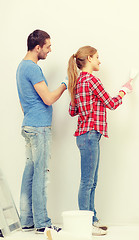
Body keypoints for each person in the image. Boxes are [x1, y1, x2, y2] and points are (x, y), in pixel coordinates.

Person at [67, 46, 134, 236]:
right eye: (97, 57)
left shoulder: (77, 82)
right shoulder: (92, 80)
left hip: (85, 135)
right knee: (88, 181)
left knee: (91, 181)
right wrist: (123, 91)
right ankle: (85, 223)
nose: (99, 61)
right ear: (89, 58)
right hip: (90, 135)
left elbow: (73, 111)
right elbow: (111, 104)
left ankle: (92, 219)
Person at [16, 29, 67, 234]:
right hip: (39, 128)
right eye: (47, 46)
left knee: (29, 174)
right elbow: (48, 98)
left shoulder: (21, 67)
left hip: (29, 125)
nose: (50, 50)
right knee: (40, 176)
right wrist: (65, 85)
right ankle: (43, 223)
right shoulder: (33, 69)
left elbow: (24, 103)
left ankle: (27, 221)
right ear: (37, 47)